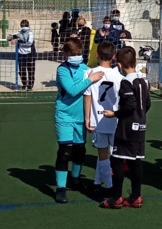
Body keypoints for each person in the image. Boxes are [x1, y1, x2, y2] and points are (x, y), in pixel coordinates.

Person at [53, 38, 104, 204]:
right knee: (65, 152)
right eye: (73, 54)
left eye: (79, 53)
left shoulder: (85, 68)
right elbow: (72, 90)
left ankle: (75, 179)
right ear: (66, 54)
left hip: (81, 117)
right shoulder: (62, 70)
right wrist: (90, 79)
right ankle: (60, 188)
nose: (77, 56)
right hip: (65, 116)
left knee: (80, 150)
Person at [100, 46, 151, 209]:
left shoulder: (126, 82)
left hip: (127, 129)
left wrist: (114, 114)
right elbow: (147, 103)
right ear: (135, 62)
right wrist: (140, 116)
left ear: (120, 65)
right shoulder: (143, 81)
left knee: (116, 160)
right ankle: (136, 196)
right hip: (141, 126)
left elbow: (129, 105)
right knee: (136, 162)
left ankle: (116, 197)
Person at [83, 40, 120, 197]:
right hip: (114, 119)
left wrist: (87, 118)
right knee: (112, 154)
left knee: (102, 153)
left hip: (97, 119)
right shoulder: (118, 75)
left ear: (97, 54)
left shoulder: (89, 73)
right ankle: (98, 183)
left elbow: (87, 96)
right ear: (113, 57)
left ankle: (110, 186)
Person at [7, 19, 36, 91]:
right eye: (22, 26)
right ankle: (24, 84)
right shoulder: (19, 33)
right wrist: (11, 38)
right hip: (21, 54)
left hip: (30, 54)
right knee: (22, 71)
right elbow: (9, 37)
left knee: (31, 70)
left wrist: (18, 41)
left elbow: (29, 43)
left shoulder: (30, 33)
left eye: (25, 26)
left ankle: (30, 86)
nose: (24, 27)